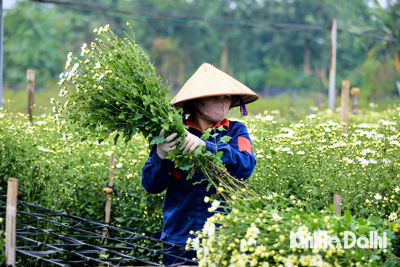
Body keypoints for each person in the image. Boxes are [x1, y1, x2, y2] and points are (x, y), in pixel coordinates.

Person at [141, 63, 259, 265]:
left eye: (226, 97)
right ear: (196, 101)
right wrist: (160, 155)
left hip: (223, 237)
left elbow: (246, 165)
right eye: (215, 97)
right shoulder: (174, 134)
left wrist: (207, 146)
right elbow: (152, 185)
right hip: (179, 238)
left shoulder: (236, 131)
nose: (222, 103)